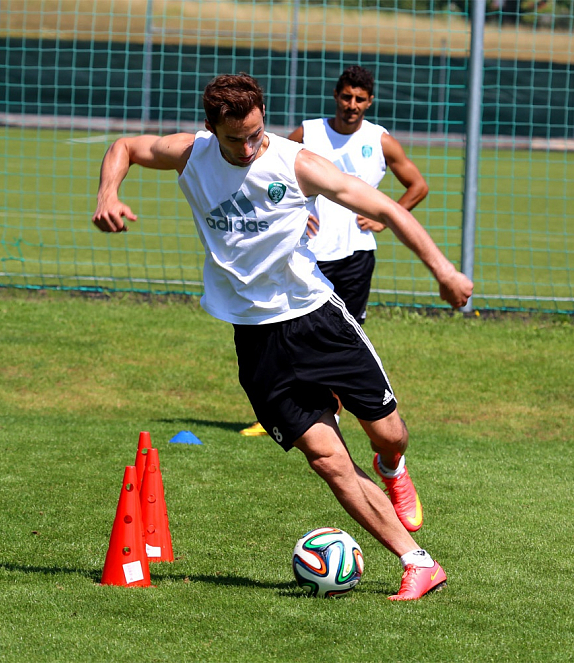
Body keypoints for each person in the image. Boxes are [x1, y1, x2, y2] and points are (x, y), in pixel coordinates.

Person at [92, 73, 473, 600]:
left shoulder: (296, 163)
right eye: (236, 139)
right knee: (328, 460)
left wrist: (444, 272)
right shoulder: (191, 154)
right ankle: (418, 562)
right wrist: (108, 193)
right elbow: (125, 147)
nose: (249, 147)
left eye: (256, 133)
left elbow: (384, 207)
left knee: (389, 435)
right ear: (211, 129)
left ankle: (392, 466)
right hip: (257, 340)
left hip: (318, 322)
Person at [240, 65, 428, 439]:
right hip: (306, 257)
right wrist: (290, 213)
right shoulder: (308, 133)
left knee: (343, 339)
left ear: (369, 102)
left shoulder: (380, 140)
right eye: (346, 97)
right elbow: (269, 172)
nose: (351, 105)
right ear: (335, 96)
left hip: (355, 257)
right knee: (286, 332)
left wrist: (385, 218)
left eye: (359, 99)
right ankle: (282, 408)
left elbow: (418, 185)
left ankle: (334, 416)